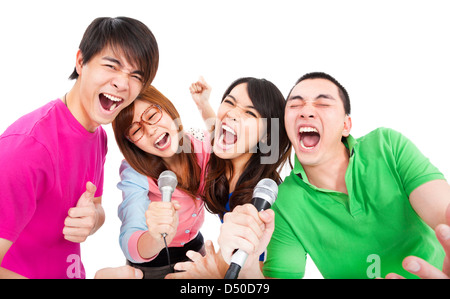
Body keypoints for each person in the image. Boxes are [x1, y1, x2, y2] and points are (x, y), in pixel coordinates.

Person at [217, 72, 450, 279]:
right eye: (295, 105)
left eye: (323, 104)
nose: (306, 111)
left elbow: (443, 211)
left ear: (346, 125)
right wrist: (248, 266)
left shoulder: (387, 146)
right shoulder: (284, 203)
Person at [0, 16, 159, 279]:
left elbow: (95, 207)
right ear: (81, 61)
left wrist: (92, 219)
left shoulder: (98, 137)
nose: (122, 83)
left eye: (135, 75)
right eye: (111, 66)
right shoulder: (27, 149)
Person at [165, 76, 291, 278]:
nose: (231, 112)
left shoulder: (267, 198)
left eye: (250, 112)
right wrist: (203, 104)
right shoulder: (222, 161)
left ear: (267, 135)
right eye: (230, 102)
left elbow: (263, 272)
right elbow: (219, 130)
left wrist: (216, 272)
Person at [112, 85, 211, 279]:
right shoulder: (135, 172)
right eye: (136, 130)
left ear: (166, 108)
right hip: (152, 266)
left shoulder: (200, 144)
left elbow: (229, 146)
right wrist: (155, 237)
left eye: (151, 116)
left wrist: (204, 106)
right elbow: (129, 239)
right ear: (132, 143)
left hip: (195, 250)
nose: (150, 130)